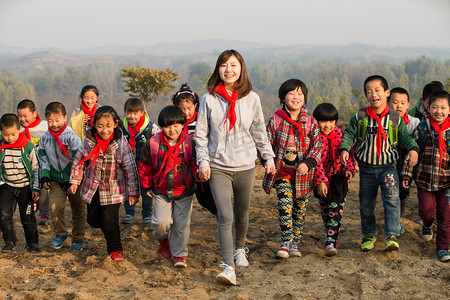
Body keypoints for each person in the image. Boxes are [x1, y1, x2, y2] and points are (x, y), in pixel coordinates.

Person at [194, 49, 275, 285]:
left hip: (246, 165)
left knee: (242, 212)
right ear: (218, 69)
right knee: (225, 215)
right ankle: (228, 266)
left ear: (241, 69)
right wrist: (203, 161)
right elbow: (200, 135)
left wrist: (268, 158)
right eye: (224, 65)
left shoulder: (252, 99)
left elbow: (259, 132)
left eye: (233, 65)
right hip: (218, 166)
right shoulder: (208, 99)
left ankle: (241, 248)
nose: (228, 70)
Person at [340, 75, 419, 252]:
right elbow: (349, 135)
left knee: (391, 200)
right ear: (366, 96)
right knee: (366, 204)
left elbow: (405, 137)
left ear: (386, 93)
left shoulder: (394, 118)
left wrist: (413, 149)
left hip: (388, 168)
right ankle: (368, 235)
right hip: (367, 169)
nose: (373, 94)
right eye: (369, 91)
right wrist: (344, 149)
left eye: (377, 90)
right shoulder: (360, 116)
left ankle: (391, 235)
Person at [69, 106, 139, 261]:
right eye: (100, 126)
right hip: (92, 188)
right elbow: (79, 162)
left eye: (108, 126)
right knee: (93, 221)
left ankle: (115, 250)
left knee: (109, 220)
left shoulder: (121, 144)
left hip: (113, 190)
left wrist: (133, 192)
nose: (104, 130)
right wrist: (75, 181)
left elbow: (130, 168)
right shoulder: (88, 142)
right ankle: (105, 228)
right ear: (94, 125)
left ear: (115, 124)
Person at [262, 79, 322, 259]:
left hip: (303, 176)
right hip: (282, 173)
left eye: (299, 94)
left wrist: (309, 163)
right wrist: (268, 160)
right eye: (291, 93)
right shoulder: (276, 120)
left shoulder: (310, 122)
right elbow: (266, 143)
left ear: (304, 98)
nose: (295, 97)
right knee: (284, 205)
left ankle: (296, 243)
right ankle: (286, 241)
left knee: (300, 210)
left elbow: (317, 146)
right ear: (283, 98)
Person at [139, 105, 198, 268]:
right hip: (161, 190)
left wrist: (199, 175)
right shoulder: (152, 144)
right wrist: (147, 185)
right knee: (160, 222)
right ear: (161, 126)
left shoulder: (189, 143)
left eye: (176, 126)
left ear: (183, 125)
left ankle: (179, 255)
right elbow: (145, 166)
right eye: (167, 126)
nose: (172, 130)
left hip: (184, 190)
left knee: (181, 224)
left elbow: (194, 164)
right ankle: (163, 241)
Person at [402, 90, 450, 262]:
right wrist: (407, 176)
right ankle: (428, 224)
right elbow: (412, 152)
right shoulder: (422, 128)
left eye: (443, 107)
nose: (439, 111)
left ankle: (443, 248)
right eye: (435, 107)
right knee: (427, 211)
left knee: (445, 218)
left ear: (449, 110)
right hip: (424, 180)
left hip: (446, 183)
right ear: (427, 108)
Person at [38, 102, 86, 250]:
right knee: (55, 206)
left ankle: (78, 238)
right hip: (55, 180)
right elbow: (43, 160)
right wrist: (45, 176)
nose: (54, 124)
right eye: (50, 121)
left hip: (74, 179)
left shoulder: (72, 138)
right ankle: (60, 233)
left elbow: (78, 160)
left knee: (78, 209)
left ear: (65, 118)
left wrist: (75, 180)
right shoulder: (44, 139)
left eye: (57, 120)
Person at [312, 103, 355, 257]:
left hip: (338, 178)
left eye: (331, 121)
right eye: (323, 121)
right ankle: (331, 232)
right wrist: (320, 181)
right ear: (316, 121)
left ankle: (330, 241)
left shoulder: (340, 135)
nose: (327, 125)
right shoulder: (314, 138)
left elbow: (348, 154)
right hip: (321, 179)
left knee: (336, 210)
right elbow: (314, 162)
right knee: (325, 210)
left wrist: (349, 169)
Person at [172, 83, 217, 216]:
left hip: (200, 163)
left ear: (196, 105)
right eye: (182, 109)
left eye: (189, 108)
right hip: (181, 166)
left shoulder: (201, 120)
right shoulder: (174, 122)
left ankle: (219, 215)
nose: (186, 112)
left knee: (206, 197)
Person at [0, 114, 40, 253]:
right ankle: (10, 241)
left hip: (25, 187)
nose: (9, 138)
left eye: (13, 134)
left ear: (19, 130)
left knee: (27, 217)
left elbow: (36, 168)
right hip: (7, 186)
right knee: (4, 215)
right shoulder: (1, 146)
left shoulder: (28, 147)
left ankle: (32, 243)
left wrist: (35, 187)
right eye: (6, 134)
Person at [121, 97, 159, 224]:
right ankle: (129, 213)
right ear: (125, 113)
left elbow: (160, 141)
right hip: (127, 164)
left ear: (142, 113)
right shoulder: (121, 128)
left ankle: (147, 214)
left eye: (135, 113)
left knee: (146, 190)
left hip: (145, 165)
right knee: (128, 189)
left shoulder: (151, 127)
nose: (132, 116)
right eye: (129, 113)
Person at [388, 87, 420, 219]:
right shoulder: (384, 122)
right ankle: (393, 219)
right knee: (390, 191)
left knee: (404, 190)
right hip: (389, 161)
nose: (399, 106)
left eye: (402, 103)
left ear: (408, 105)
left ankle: (398, 218)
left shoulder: (415, 123)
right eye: (395, 102)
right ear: (388, 103)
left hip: (408, 163)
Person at [17, 99, 50, 226]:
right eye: (19, 116)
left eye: (25, 116)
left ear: (35, 113)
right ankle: (30, 212)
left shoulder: (45, 126)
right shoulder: (18, 128)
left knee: (42, 188)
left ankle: (44, 214)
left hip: (42, 163)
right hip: (25, 164)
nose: (22, 119)